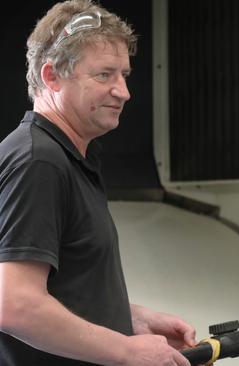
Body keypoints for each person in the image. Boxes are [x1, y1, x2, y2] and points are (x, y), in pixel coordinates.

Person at [0, 1, 196, 365]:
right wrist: (124, 351)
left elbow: (65, 291)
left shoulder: (66, 157)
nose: (123, 91)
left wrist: (128, 319)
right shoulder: (38, 161)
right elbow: (15, 305)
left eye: (124, 74)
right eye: (104, 75)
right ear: (51, 76)